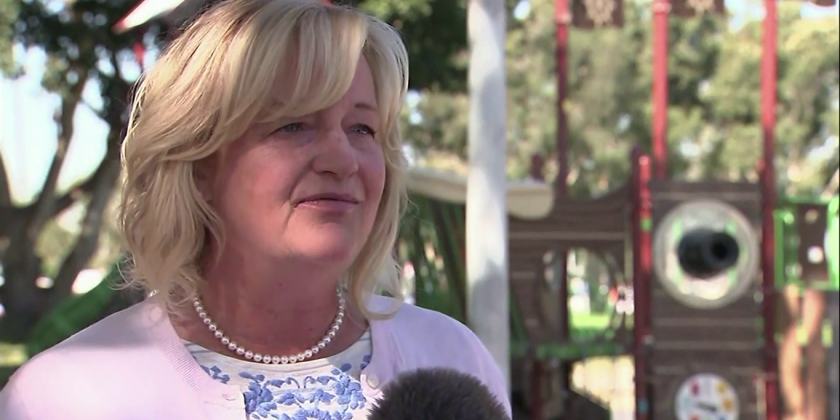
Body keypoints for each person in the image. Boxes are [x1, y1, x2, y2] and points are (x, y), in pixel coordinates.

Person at [0, 0, 510, 418]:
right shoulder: (66, 396)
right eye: (294, 125)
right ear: (198, 163)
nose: (342, 159)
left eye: (362, 128)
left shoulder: (450, 358)